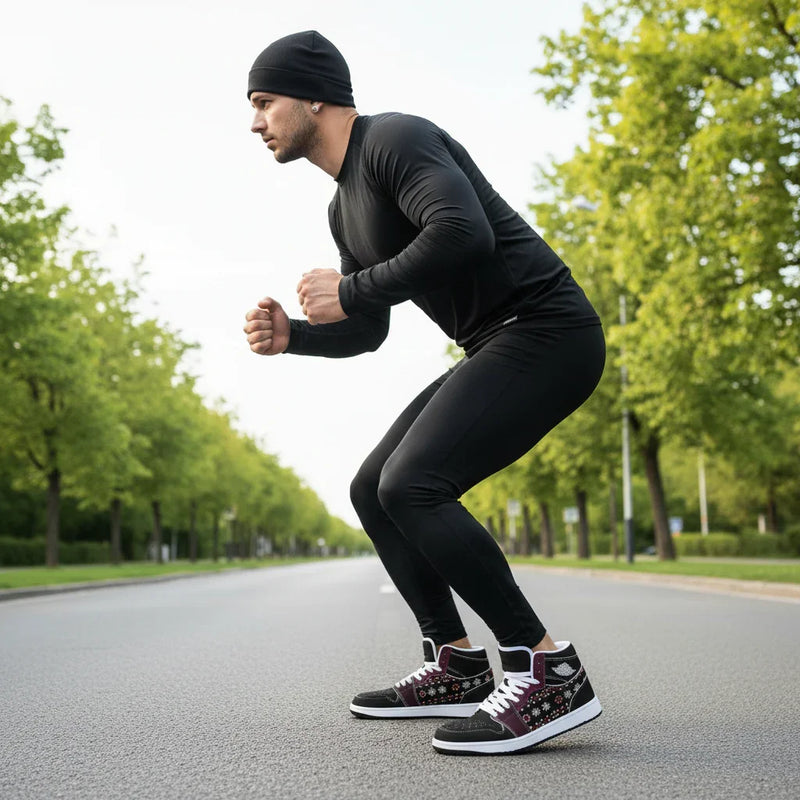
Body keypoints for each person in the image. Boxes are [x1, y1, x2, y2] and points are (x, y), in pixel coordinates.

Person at [243, 30, 605, 755]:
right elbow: (368, 328)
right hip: (497, 342)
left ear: (314, 98)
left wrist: (349, 289)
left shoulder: (395, 140)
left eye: (264, 102)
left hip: (547, 330)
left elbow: (463, 233)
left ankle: (548, 670)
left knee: (413, 483)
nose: (255, 123)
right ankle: (457, 665)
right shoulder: (343, 208)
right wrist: (296, 337)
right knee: (373, 488)